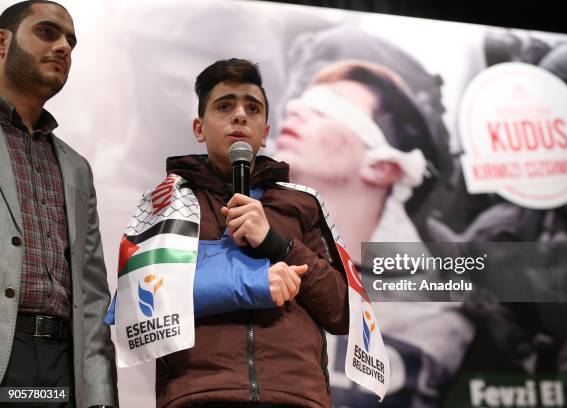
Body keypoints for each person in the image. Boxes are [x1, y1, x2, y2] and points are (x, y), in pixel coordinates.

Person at [275, 60, 474, 407]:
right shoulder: (228, 260)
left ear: (383, 167)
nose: (294, 109)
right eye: (302, 102)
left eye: (326, 109)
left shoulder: (432, 324)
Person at [154, 58, 350, 407]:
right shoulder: (167, 201)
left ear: (265, 131)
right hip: (199, 394)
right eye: (225, 106)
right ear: (199, 128)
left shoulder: (304, 203)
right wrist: (252, 282)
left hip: (298, 397)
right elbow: (144, 300)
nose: (240, 115)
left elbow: (341, 311)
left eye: (252, 108)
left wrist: (276, 242)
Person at [0, 1, 117, 407]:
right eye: (48, 33)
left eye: (71, 41)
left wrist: (101, 396)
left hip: (61, 366)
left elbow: (92, 294)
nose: (64, 47)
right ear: (2, 43)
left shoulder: (76, 167)